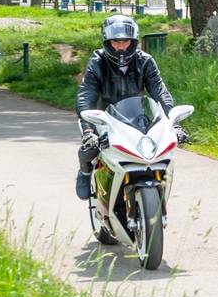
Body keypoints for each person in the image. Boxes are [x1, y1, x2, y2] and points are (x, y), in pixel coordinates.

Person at [74, 15, 188, 199]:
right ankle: (85, 171)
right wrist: (88, 129)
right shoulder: (97, 62)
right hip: (104, 117)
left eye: (125, 41)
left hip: (137, 115)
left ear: (133, 41)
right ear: (107, 42)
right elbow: (85, 94)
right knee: (90, 147)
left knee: (154, 150)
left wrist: (173, 123)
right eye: (115, 42)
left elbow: (160, 92)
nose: (121, 46)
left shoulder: (145, 61)